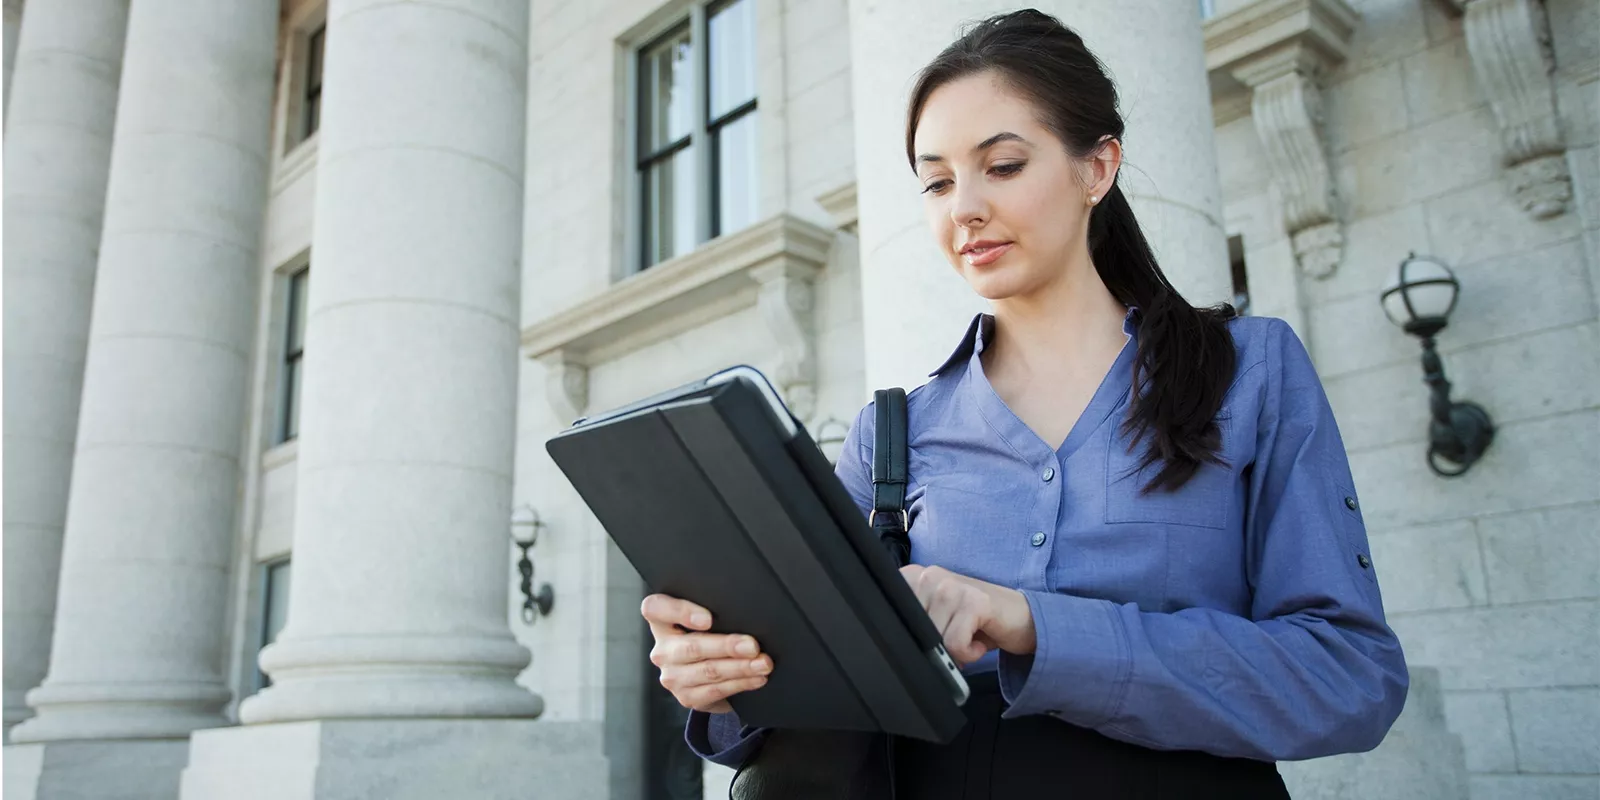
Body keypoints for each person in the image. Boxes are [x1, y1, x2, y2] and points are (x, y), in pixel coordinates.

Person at [640, 9, 1408, 798]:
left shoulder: (1250, 371)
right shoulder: (892, 435)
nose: (962, 207)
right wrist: (723, 674)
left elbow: (1349, 676)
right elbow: (822, 685)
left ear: (1096, 168)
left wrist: (1030, 624)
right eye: (936, 180)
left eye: (1002, 165)